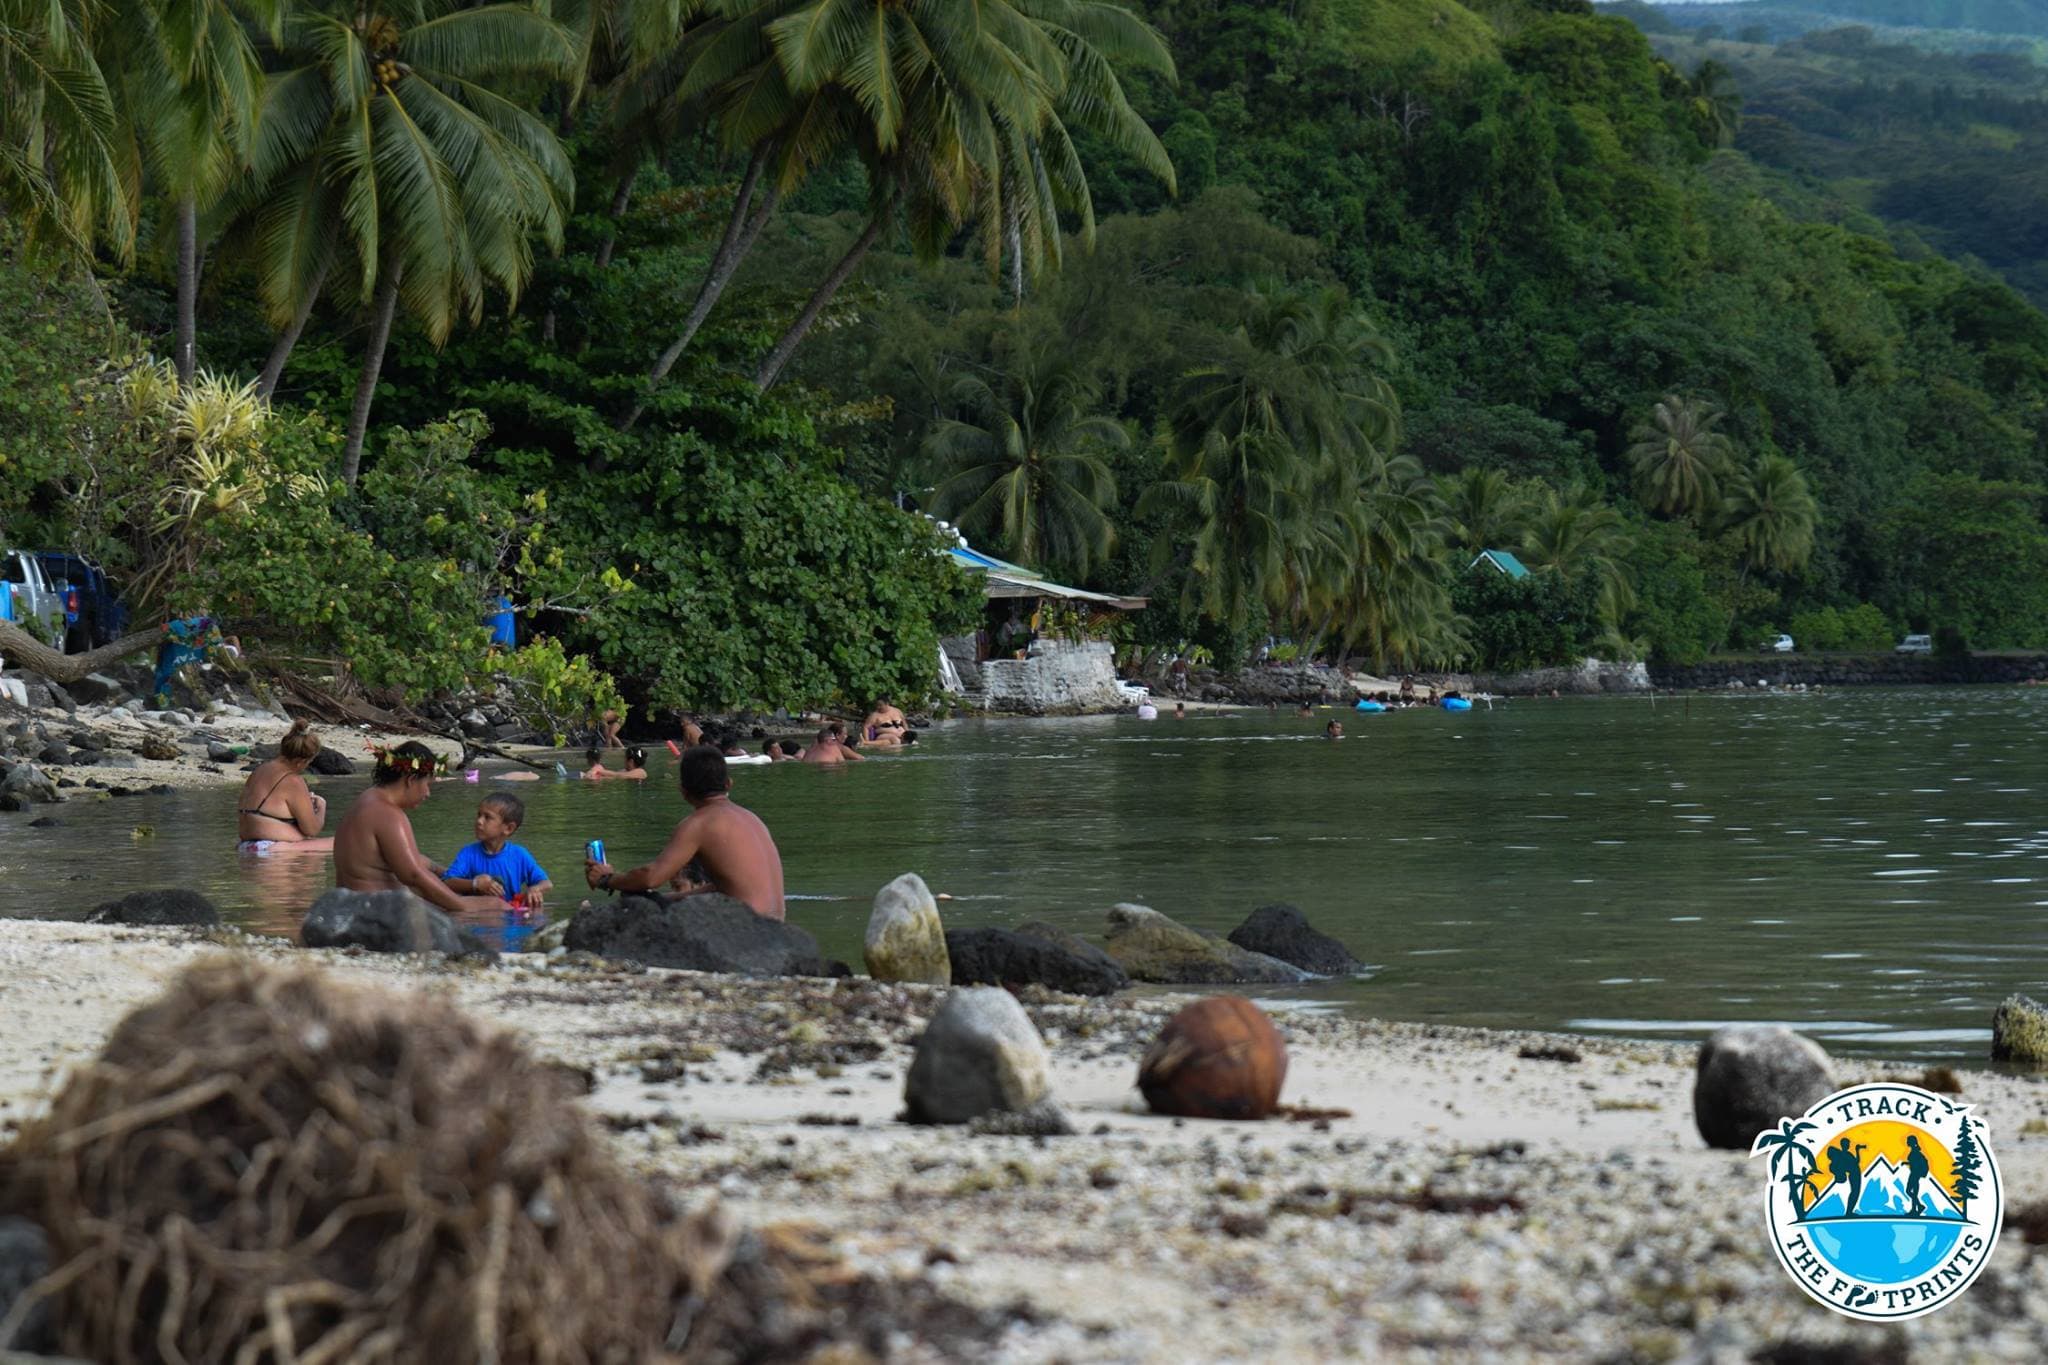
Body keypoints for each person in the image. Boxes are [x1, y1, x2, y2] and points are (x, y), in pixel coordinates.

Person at [585, 746, 786, 920]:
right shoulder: (753, 819)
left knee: (633, 899)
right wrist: (664, 898)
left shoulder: (698, 823)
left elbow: (651, 878)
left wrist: (607, 879)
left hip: (747, 929)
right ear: (728, 784)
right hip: (776, 924)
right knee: (652, 898)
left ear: (683, 791)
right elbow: (730, 887)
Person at [332, 742, 501, 913]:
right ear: (411, 780)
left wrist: (462, 880)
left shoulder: (367, 799)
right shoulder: (388, 814)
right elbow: (413, 875)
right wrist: (463, 905)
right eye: (427, 784)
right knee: (497, 907)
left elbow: (415, 863)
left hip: (349, 905)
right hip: (373, 913)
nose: (427, 793)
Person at [439, 792, 552, 906]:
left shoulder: (520, 855)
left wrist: (535, 889)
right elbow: (447, 882)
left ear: (508, 828)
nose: (479, 821)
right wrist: (474, 884)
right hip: (477, 915)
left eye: (487, 817)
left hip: (510, 915)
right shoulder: (468, 853)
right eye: (479, 815)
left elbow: (546, 883)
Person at [236, 720, 331, 853]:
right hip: (271, 848)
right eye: (309, 763)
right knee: (340, 843)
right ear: (301, 761)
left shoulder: (259, 771)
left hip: (246, 847)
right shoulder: (293, 780)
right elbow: (312, 830)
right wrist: (321, 807)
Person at [1824, 1138, 1863, 1216]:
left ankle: (1849, 1211)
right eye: (1848, 1144)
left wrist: (1857, 1150)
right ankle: (1849, 1212)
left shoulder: (1844, 1154)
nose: (1849, 1145)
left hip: (1854, 1174)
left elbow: (1855, 1162)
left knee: (1854, 1193)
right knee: (1855, 1193)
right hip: (1854, 1174)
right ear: (1844, 1145)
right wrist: (1857, 1150)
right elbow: (1856, 1162)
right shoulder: (1845, 1154)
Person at [584, 745, 648, 780]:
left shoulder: (641, 772)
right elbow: (613, 776)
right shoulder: (625, 771)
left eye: (625, 758)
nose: (624, 760)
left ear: (631, 762)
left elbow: (618, 775)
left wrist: (599, 771)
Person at [1904, 1135, 1930, 1217]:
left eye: (1908, 1141)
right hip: (1915, 1174)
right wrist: (1906, 1163)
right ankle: (1917, 1208)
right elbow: (1914, 1162)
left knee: (1909, 1191)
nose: (1907, 1142)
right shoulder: (1915, 1151)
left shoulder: (1915, 1152)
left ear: (1911, 1142)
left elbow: (1915, 1163)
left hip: (1914, 1174)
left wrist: (1909, 1164)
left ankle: (1917, 1208)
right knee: (1913, 1192)